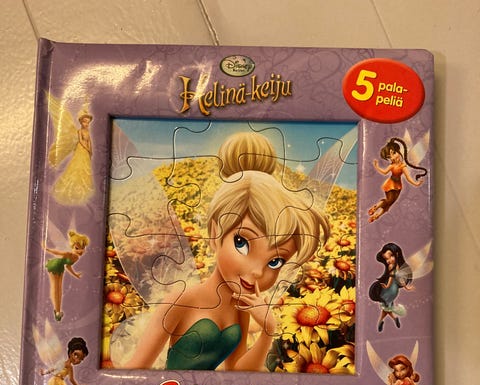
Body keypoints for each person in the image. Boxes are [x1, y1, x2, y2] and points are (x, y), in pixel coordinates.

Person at [123, 131, 329, 371]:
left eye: (275, 261)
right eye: (241, 243)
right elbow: (136, 368)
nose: (256, 272)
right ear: (214, 232)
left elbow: (237, 373)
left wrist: (267, 331)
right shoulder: (182, 300)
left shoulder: (241, 308)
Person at [368, 137, 426, 222]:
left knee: (390, 203)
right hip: (390, 184)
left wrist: (416, 183)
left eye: (394, 153)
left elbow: (408, 177)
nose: (392, 157)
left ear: (398, 152)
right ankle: (376, 207)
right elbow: (384, 172)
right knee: (389, 200)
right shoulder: (392, 166)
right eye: (389, 157)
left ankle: (376, 216)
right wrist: (377, 166)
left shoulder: (403, 166)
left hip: (398, 186)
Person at [50, 106, 94, 205]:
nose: (86, 124)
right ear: (81, 122)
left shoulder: (87, 132)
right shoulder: (79, 131)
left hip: (86, 151)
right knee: (77, 165)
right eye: (84, 122)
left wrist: (90, 150)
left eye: (88, 122)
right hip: (80, 149)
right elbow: (81, 141)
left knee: (85, 167)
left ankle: (84, 187)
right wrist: (87, 148)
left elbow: (89, 141)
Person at [45, 230, 89, 321]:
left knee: (59, 288)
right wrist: (46, 249)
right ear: (73, 247)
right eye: (77, 248)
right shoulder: (69, 254)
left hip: (60, 267)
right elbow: (57, 253)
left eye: (83, 248)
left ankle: (58, 311)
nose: (80, 251)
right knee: (55, 287)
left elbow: (68, 266)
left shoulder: (76, 258)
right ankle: (57, 311)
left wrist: (75, 275)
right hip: (54, 265)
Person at [369, 243, 413, 332]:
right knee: (386, 308)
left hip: (388, 290)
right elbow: (400, 280)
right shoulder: (399, 267)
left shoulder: (392, 267)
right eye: (386, 259)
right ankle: (386, 320)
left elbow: (391, 278)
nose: (388, 260)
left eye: (391, 256)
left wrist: (387, 286)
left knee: (385, 306)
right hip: (394, 290)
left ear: (397, 254)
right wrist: (406, 287)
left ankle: (387, 320)